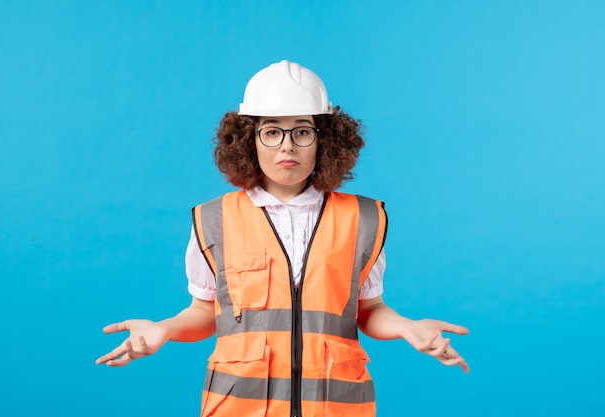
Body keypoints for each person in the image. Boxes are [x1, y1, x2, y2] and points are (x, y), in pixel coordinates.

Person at [96, 60, 469, 417]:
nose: (287, 146)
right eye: (272, 131)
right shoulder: (213, 219)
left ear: (325, 141)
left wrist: (406, 327)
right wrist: (163, 329)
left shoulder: (364, 218)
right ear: (249, 140)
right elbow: (204, 312)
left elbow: (368, 310)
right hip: (238, 409)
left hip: (336, 409)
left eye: (302, 131)